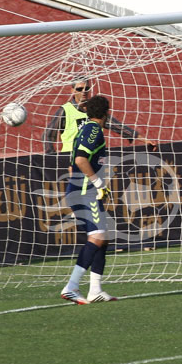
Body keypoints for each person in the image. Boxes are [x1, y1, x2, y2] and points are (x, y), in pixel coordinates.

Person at [60, 95, 117, 304]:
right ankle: (72, 286)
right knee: (97, 237)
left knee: (103, 238)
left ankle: (95, 290)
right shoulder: (93, 129)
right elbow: (80, 159)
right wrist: (98, 183)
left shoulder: (87, 128)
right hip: (85, 191)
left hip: (83, 190)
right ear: (106, 113)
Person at [42, 77, 156, 155]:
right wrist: (52, 157)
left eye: (87, 88)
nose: (84, 92)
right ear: (72, 90)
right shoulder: (65, 111)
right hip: (71, 159)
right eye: (79, 89)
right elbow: (48, 135)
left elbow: (118, 127)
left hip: (94, 158)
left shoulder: (96, 108)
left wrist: (144, 140)